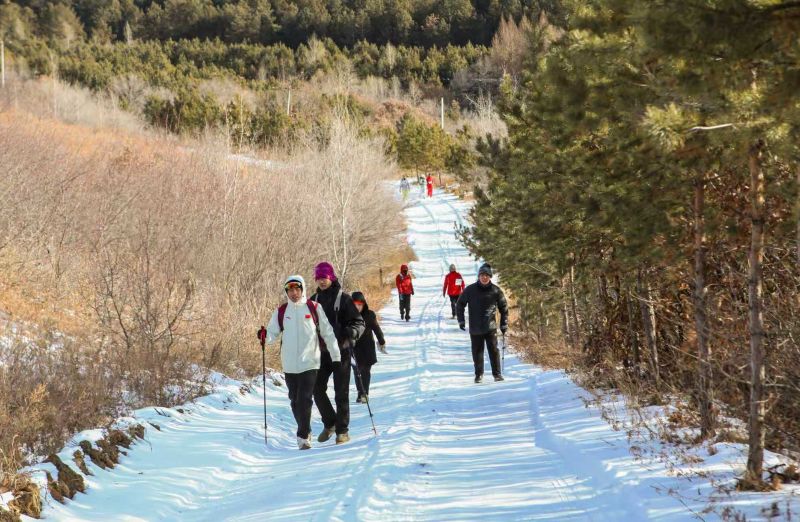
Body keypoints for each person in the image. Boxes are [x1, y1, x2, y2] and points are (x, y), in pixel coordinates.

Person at [263, 275, 340, 450]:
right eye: (290, 290)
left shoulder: (314, 308)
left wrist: (336, 356)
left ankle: (303, 436)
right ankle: (305, 430)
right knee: (294, 400)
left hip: (310, 362)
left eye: (297, 289)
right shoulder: (282, 311)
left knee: (305, 399)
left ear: (303, 289)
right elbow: (271, 334)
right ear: (287, 292)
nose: (294, 293)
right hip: (289, 364)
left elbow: (327, 333)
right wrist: (263, 336)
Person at [310, 262, 365, 445]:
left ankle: (342, 431)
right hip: (321, 353)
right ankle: (330, 422)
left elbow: (359, 323)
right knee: (316, 388)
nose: (322, 281)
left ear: (331, 277)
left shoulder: (344, 298)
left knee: (341, 392)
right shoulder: (312, 300)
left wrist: (350, 333)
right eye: (318, 278)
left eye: (324, 277)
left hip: (341, 351)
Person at [456, 263, 509, 383]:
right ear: (479, 276)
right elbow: (460, 304)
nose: (484, 277)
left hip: (490, 327)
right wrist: (461, 320)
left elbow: (504, 308)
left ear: (490, 277)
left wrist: (504, 323)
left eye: (486, 275)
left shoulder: (496, 290)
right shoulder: (470, 290)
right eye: (482, 275)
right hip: (475, 328)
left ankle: (497, 374)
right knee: (477, 352)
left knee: (494, 351)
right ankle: (478, 375)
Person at [351, 291, 386, 404]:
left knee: (365, 371)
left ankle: (364, 393)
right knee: (357, 371)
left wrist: (381, 341)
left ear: (363, 304)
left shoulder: (370, 315)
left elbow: (377, 329)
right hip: (354, 349)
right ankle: (359, 392)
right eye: (354, 304)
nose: (357, 307)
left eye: (359, 304)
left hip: (367, 348)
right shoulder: (347, 316)